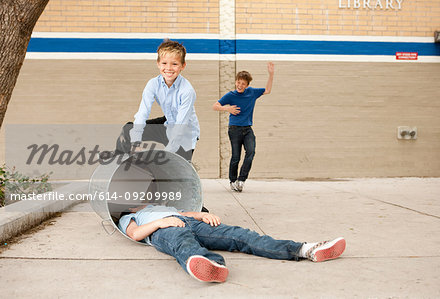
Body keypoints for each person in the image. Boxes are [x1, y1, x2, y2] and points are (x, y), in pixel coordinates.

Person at [118, 204, 346, 283]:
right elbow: (136, 234)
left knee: (239, 235)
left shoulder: (162, 205)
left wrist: (201, 215)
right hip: (163, 229)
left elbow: (190, 213)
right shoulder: (129, 217)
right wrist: (163, 221)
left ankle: (305, 249)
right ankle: (211, 265)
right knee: (182, 242)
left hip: (187, 221)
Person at [114, 39, 200, 162]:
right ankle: (120, 162)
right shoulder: (153, 84)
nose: (169, 68)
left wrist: (167, 153)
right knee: (128, 129)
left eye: (174, 64)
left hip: (184, 133)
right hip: (167, 124)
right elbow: (143, 112)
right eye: (164, 63)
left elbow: (180, 125)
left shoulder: (187, 91)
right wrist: (136, 142)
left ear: (183, 66)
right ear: (158, 64)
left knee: (175, 170)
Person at [212, 62, 274, 192]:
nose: (240, 85)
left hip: (247, 129)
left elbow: (267, 90)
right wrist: (227, 108)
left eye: (243, 84)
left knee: (251, 152)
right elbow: (215, 106)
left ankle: (241, 180)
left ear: (247, 85)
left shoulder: (252, 93)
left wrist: (271, 74)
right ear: (236, 82)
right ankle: (232, 180)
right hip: (234, 129)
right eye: (238, 82)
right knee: (236, 157)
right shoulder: (231, 95)